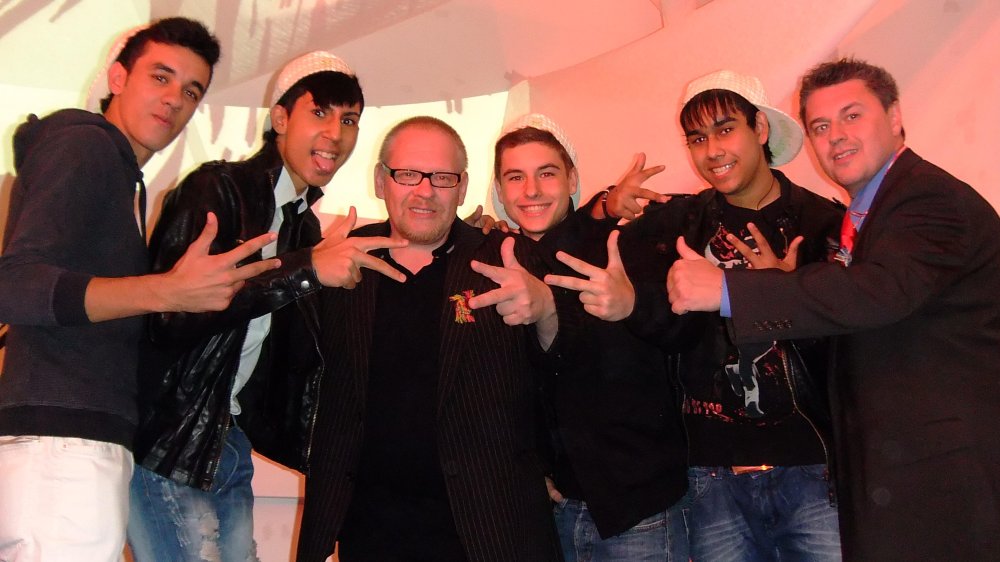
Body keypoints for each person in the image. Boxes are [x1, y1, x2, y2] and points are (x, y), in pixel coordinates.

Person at [667, 58, 1000, 560]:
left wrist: (731, 289)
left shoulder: (929, 199)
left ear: (894, 116)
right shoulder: (868, 214)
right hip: (894, 472)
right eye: (821, 126)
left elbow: (877, 290)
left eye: (852, 116)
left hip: (942, 477)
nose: (836, 136)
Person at [0, 18, 279, 561]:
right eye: (160, 76)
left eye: (191, 91)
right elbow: (14, 285)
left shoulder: (121, 176)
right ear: (117, 78)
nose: (174, 99)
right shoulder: (84, 144)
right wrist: (166, 292)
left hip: (76, 441)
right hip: (62, 444)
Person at [127, 51, 406, 562]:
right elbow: (166, 319)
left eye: (349, 120)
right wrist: (307, 269)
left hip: (226, 439)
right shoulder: (217, 189)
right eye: (319, 113)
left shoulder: (303, 225)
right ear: (280, 118)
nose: (336, 134)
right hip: (172, 440)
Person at [296, 116, 562, 562]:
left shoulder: (507, 258)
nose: (424, 191)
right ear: (381, 180)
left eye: (442, 177)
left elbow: (564, 374)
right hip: (371, 533)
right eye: (407, 174)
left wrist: (549, 311)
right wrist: (305, 271)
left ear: (462, 187)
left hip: (493, 533)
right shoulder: (339, 261)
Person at [492, 114, 688, 561]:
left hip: (638, 511)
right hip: (555, 512)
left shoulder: (622, 245)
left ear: (572, 180)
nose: (531, 190)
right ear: (500, 191)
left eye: (547, 173)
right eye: (515, 177)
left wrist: (632, 303)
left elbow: (682, 333)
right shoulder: (505, 263)